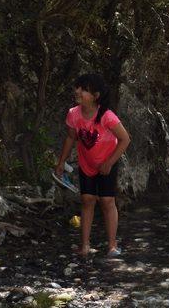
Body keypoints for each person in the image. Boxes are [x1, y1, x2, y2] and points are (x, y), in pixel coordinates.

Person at [55, 73, 131, 257]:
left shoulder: (106, 116)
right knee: (87, 200)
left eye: (84, 89)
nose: (78, 91)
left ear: (96, 96)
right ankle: (85, 245)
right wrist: (61, 162)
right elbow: (71, 137)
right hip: (87, 164)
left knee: (107, 201)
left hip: (107, 164)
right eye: (78, 87)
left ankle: (112, 245)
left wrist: (110, 162)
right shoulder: (74, 114)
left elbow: (125, 139)